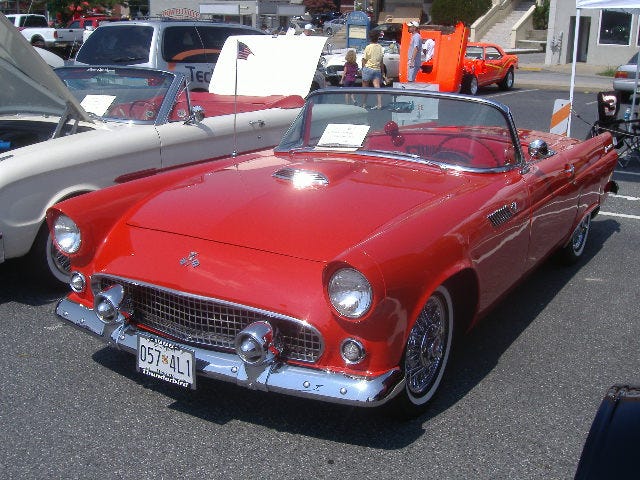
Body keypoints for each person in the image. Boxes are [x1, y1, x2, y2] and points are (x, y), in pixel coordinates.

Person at [361, 30, 383, 109]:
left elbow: (364, 59)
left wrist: (363, 69)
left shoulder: (368, 47)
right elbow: (381, 61)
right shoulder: (380, 47)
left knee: (365, 87)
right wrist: (383, 73)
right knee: (377, 87)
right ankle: (379, 104)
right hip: (377, 69)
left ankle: (364, 103)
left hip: (368, 68)